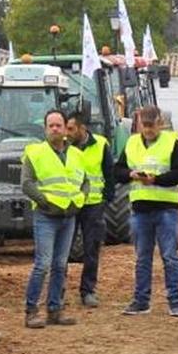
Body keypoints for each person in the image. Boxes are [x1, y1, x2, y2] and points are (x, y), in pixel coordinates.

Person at [114, 105, 178, 317]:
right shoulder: (131, 143)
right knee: (142, 258)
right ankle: (141, 301)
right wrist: (131, 173)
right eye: (144, 126)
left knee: (170, 257)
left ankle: (175, 301)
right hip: (140, 210)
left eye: (151, 126)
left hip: (166, 209)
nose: (147, 131)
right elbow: (117, 171)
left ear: (160, 124)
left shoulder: (172, 143)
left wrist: (156, 180)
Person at [21, 109, 88, 329]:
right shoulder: (35, 153)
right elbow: (27, 183)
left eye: (59, 125)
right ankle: (31, 311)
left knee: (60, 265)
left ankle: (54, 309)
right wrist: (45, 202)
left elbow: (84, 181)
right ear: (45, 128)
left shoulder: (76, 154)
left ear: (65, 128)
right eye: (51, 125)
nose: (55, 129)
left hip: (68, 217)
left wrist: (81, 198)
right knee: (42, 264)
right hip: (46, 216)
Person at [66, 110, 114, 308]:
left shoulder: (101, 145)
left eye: (71, 128)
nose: (66, 132)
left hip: (93, 205)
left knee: (91, 249)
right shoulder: (64, 147)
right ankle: (58, 292)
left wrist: (106, 200)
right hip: (69, 204)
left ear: (82, 128)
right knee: (63, 250)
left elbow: (109, 174)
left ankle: (88, 291)